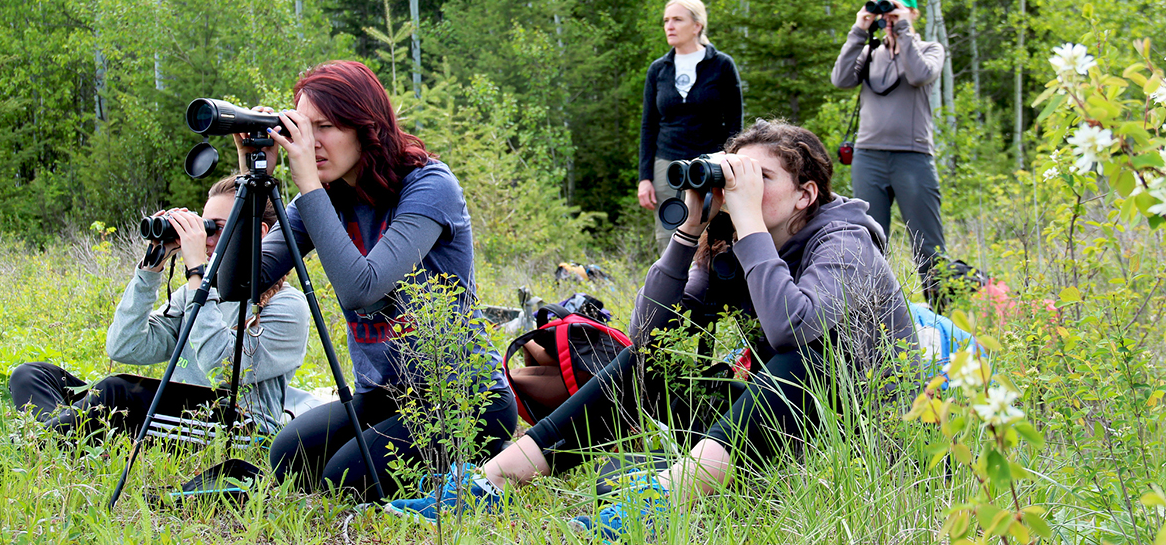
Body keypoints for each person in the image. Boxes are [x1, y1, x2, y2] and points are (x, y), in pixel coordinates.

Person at [386, 120, 916, 539]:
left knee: (810, 350)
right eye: (735, 176)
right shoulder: (735, 242)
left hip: (864, 432)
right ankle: (492, 480)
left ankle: (667, 496)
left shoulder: (843, 240)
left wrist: (750, 223)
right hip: (779, 420)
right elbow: (647, 337)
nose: (741, 192)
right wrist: (689, 231)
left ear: (805, 195)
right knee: (651, 362)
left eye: (760, 180)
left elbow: (792, 332)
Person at [256, 60, 516, 500]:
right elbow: (240, 280)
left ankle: (479, 458)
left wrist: (305, 182)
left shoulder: (430, 184)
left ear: (365, 125)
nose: (311, 142)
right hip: (387, 395)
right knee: (288, 458)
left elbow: (363, 287)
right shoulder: (320, 199)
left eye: (326, 127)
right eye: (303, 127)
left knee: (343, 481)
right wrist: (257, 174)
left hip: (466, 397)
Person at [8, 176, 311, 439]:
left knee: (116, 391)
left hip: (239, 428)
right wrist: (152, 266)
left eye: (217, 228)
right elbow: (124, 346)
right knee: (32, 374)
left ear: (258, 235)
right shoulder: (191, 294)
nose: (205, 238)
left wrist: (197, 275)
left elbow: (223, 372)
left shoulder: (287, 306)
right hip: (174, 415)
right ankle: (59, 434)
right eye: (203, 227)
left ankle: (46, 437)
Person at [830, 0, 947, 304]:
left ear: (914, 13)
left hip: (913, 157)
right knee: (868, 241)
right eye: (886, 11)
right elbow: (840, 79)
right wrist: (859, 29)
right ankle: (871, 319)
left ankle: (943, 317)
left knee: (928, 243)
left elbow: (921, 74)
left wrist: (904, 32)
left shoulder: (930, 49)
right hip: (869, 157)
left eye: (897, 10)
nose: (891, 18)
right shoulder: (871, 53)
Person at [639, 0, 743, 253]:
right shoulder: (658, 69)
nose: (669, 26)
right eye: (665, 20)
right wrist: (645, 178)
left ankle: (707, 290)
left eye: (677, 19)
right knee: (668, 233)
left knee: (713, 233)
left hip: (710, 165)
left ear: (697, 26)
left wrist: (730, 164)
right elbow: (648, 125)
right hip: (667, 164)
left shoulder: (721, 65)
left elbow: (735, 123)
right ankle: (670, 291)